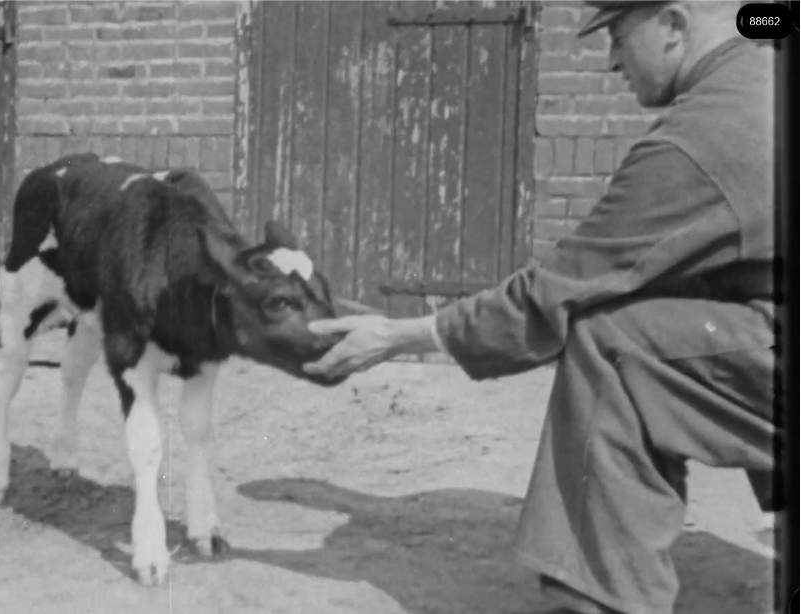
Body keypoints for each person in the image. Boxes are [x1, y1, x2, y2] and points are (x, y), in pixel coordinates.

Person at [303, 1, 777, 612]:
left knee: (614, 343)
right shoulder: (764, 73)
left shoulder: (703, 138)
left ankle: (601, 599)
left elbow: (565, 285)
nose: (611, 61)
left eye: (616, 35)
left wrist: (400, 336)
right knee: (705, 304)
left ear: (674, 27)